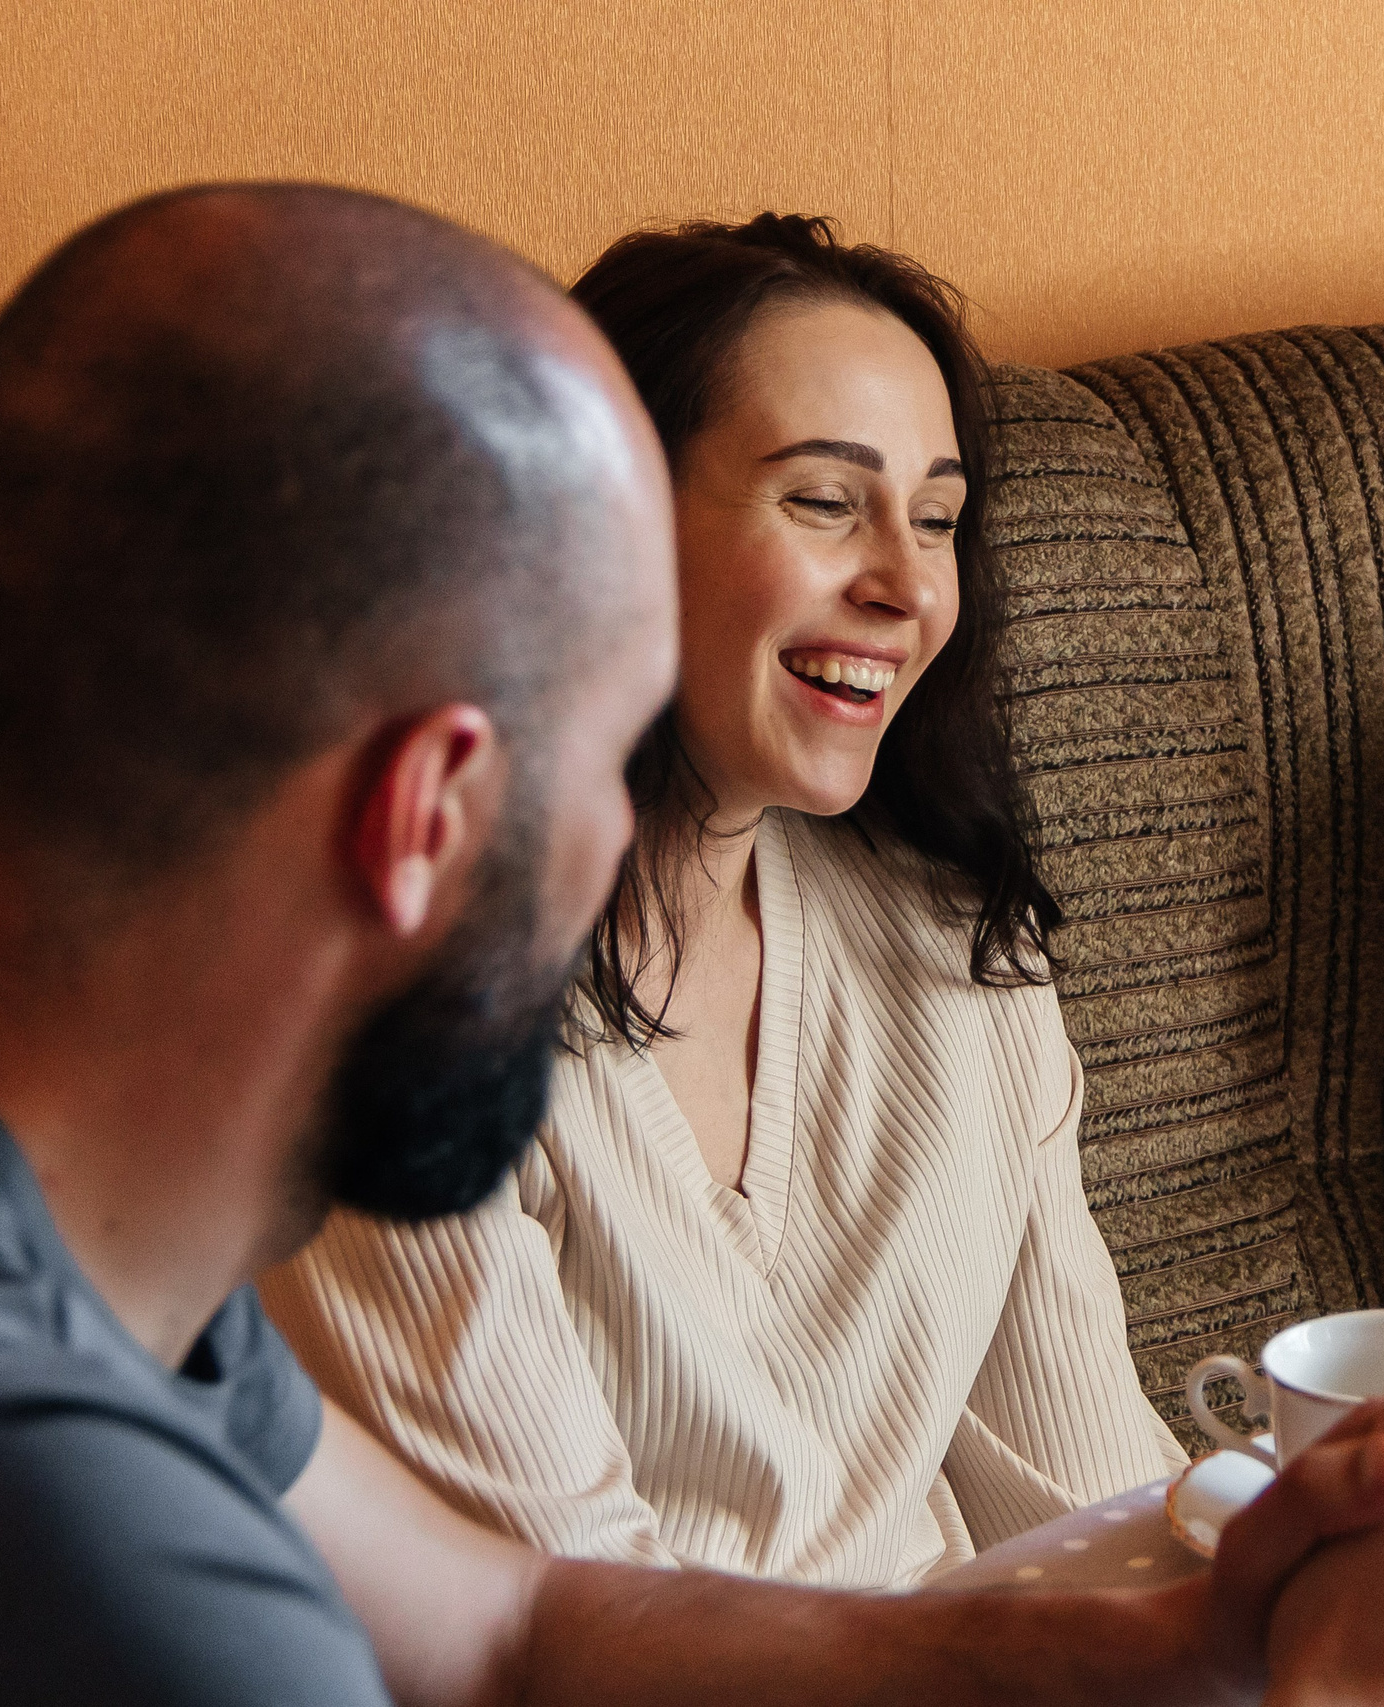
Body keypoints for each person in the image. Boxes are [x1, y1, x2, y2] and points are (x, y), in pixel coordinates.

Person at [0, 182, 1384, 1705]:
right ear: (427, 815)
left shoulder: (137, 1315)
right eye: (591, 753)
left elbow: (517, 1627)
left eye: (939, 517)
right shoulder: (100, 1556)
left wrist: (1204, 1641)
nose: (630, 837)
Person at [259, 213, 1185, 1588]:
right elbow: (558, 1628)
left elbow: (1104, 1507)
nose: (907, 583)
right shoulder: (406, 1011)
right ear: (601, 516)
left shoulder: (957, 946)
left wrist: (1326, 1570)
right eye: (824, 500)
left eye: (938, 519)